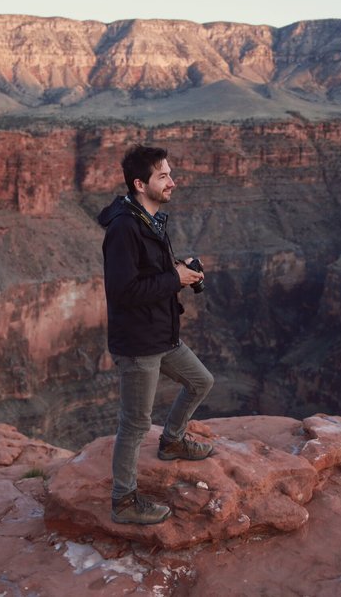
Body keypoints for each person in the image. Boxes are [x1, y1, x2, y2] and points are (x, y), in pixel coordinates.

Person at [96, 144, 215, 526]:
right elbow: (124, 292)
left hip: (163, 333)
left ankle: (173, 441)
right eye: (163, 176)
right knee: (134, 423)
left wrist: (181, 270)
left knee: (201, 381)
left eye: (169, 174)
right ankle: (124, 501)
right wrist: (174, 278)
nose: (172, 182)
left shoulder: (151, 218)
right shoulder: (124, 228)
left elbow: (152, 276)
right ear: (139, 183)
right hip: (138, 344)